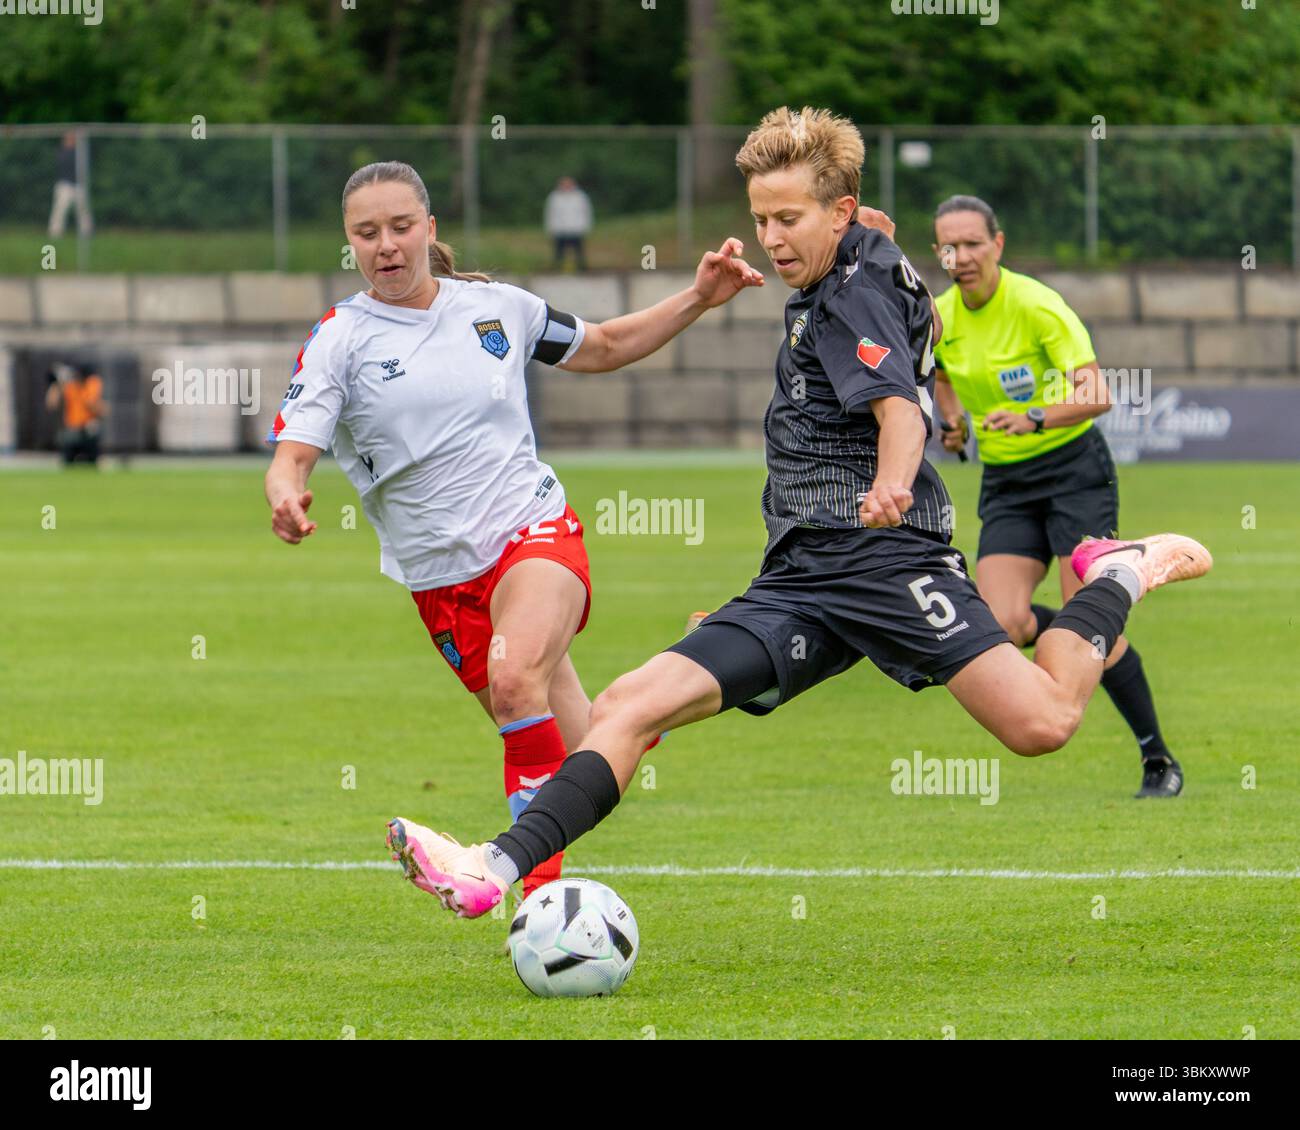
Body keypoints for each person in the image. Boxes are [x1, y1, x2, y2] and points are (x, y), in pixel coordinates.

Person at [379, 108, 1212, 919]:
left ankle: (1115, 574)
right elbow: (879, 265)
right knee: (632, 702)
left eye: (789, 219)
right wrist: (858, 230)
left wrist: (892, 484)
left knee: (1042, 723)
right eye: (761, 219)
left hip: (889, 560)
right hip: (801, 575)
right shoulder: (853, 259)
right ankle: (491, 865)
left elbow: (901, 412)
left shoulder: (851, 294)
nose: (773, 239)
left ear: (837, 211)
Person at [264, 161, 762, 902]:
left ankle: (530, 897)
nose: (386, 246)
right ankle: (685, 673)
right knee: (590, 749)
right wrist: (286, 490)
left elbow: (604, 346)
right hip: (439, 582)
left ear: (430, 230)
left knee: (514, 680)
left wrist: (698, 295)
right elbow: (293, 449)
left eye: (401, 227)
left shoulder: (497, 308)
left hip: (533, 532)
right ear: (350, 244)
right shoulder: (341, 338)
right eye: (366, 234)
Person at [929, 194, 1182, 799]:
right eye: (948, 246)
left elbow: (1097, 394)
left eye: (971, 243)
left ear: (998, 244)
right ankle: (1058, 626)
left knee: (1091, 630)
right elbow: (939, 374)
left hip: (1074, 475)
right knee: (998, 622)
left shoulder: (1038, 305)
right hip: (1009, 485)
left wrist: (1036, 415)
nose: (960, 256)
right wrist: (953, 422)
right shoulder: (937, 314)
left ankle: (1158, 759)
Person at [45, 363, 105, 464]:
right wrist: (56, 384)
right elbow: (51, 404)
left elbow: (101, 410)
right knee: (68, 462)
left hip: (89, 431)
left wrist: (91, 403)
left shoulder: (92, 384)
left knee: (91, 462)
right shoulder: (70, 386)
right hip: (72, 431)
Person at [47, 131, 93, 239]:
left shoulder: (79, 152)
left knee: (83, 210)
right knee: (59, 210)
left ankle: (86, 233)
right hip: (64, 185)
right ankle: (55, 233)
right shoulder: (62, 152)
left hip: (78, 184)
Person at [544, 176, 592, 272]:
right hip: (560, 229)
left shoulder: (580, 196)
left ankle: (582, 268)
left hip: (576, 228)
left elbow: (586, 212)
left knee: (579, 251)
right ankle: (557, 268)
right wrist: (551, 228)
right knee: (558, 252)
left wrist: (585, 226)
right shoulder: (555, 197)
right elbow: (550, 213)